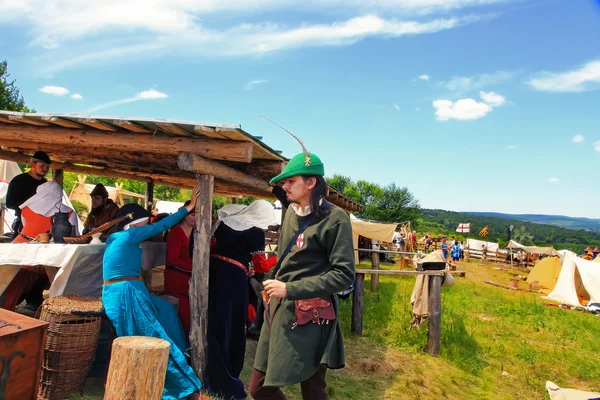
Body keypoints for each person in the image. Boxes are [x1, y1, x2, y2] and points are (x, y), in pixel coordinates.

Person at [250, 152, 355, 400]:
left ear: (311, 183)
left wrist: (289, 289)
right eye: (284, 181)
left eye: (291, 180)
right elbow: (288, 259)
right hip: (278, 310)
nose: (284, 186)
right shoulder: (290, 212)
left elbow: (343, 275)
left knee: (313, 390)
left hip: (311, 314)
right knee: (259, 388)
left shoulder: (335, 219)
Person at [102, 184, 202, 400]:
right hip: (126, 294)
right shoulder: (127, 236)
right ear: (134, 223)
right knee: (152, 334)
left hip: (121, 292)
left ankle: (183, 355)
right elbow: (162, 226)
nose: (147, 225)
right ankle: (182, 385)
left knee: (165, 310)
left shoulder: (115, 238)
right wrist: (188, 207)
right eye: (144, 222)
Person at [205, 222, 266, 400]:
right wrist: (279, 257)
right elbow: (262, 266)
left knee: (216, 322)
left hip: (216, 271)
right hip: (234, 278)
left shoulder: (224, 225)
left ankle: (215, 369)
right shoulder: (255, 232)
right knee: (233, 325)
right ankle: (227, 373)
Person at [2, 181, 79, 311]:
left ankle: (21, 305)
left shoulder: (26, 209)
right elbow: (72, 236)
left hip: (20, 250)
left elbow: (25, 226)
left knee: (12, 286)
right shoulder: (69, 213)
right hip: (46, 255)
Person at [164, 200, 195, 336]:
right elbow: (172, 259)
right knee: (185, 316)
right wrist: (194, 268)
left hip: (191, 279)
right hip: (177, 280)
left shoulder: (198, 233)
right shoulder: (176, 232)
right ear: (184, 214)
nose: (195, 217)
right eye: (192, 214)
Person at [6, 151, 51, 239]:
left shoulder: (45, 184)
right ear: (33, 164)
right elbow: (10, 203)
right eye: (42, 166)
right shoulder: (18, 181)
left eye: (47, 167)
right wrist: (30, 207)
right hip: (23, 226)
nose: (45, 169)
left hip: (43, 227)